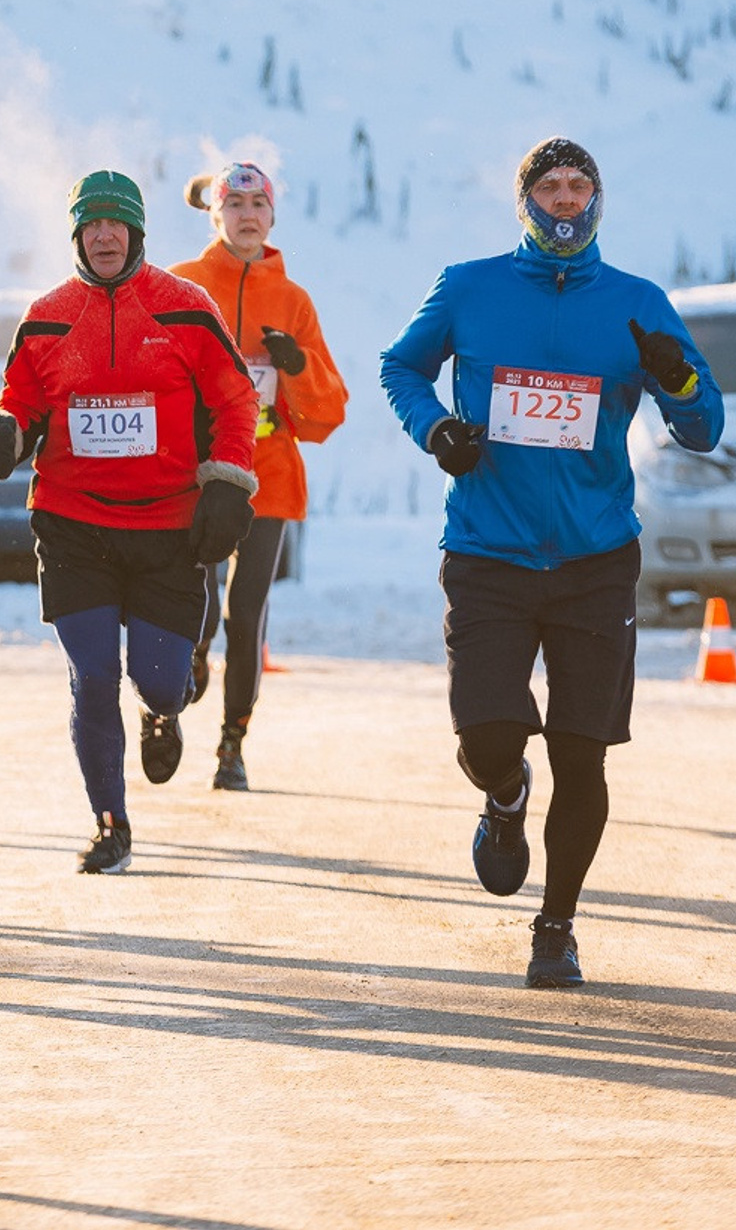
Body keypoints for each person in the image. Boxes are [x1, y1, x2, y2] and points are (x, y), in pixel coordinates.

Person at [381, 137, 723, 989]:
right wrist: (436, 429)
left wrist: (677, 381)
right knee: (489, 733)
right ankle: (503, 796)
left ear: (597, 200)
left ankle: (557, 927)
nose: (565, 198)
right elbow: (402, 367)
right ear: (525, 200)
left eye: (579, 185)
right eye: (549, 185)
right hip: (488, 552)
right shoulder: (470, 286)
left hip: (596, 558)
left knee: (583, 754)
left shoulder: (639, 303)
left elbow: (703, 426)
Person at [0, 171, 258, 876]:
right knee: (92, 673)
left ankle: (166, 705)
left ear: (136, 233)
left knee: (156, 681)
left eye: (115, 224)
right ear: (76, 235)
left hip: (167, 527)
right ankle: (109, 822)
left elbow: (236, 401)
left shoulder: (185, 309)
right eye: (90, 224)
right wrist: (1, 432)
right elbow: (22, 403)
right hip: (74, 524)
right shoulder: (46, 316)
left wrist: (226, 481)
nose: (103, 235)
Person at [171, 162, 348, 790]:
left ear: (273, 217)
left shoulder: (294, 301)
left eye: (259, 203)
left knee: (246, 615)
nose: (248, 213)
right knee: (198, 606)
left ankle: (231, 744)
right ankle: (184, 667)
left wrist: (295, 366)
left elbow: (327, 414)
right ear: (215, 214)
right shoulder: (183, 284)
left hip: (269, 473)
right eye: (235, 202)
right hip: (192, 473)